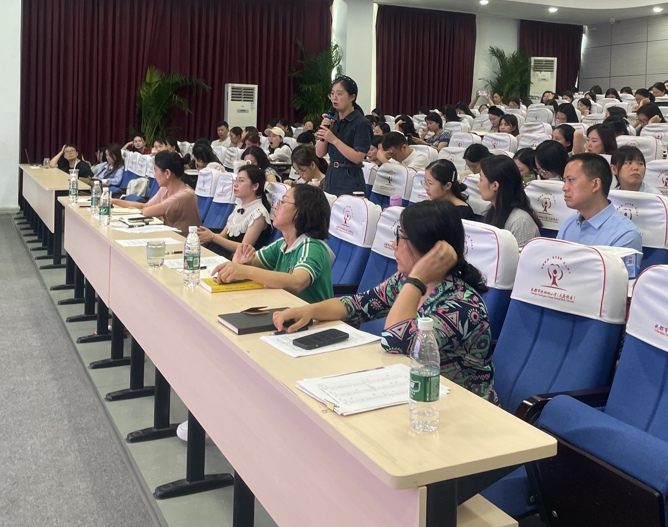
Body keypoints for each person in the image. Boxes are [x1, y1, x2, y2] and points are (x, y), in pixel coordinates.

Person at [271, 200, 497, 402]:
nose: (394, 245)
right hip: (413, 392)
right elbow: (357, 305)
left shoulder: (463, 305)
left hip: (460, 405)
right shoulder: (404, 280)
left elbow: (395, 340)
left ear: (428, 247)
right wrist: (309, 311)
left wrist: (418, 277)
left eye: (402, 238)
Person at [212, 184, 334, 303]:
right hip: (285, 309)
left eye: (283, 202)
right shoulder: (282, 244)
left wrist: (246, 271)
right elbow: (251, 263)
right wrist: (241, 261)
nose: (276, 206)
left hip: (311, 315)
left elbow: (297, 282)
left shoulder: (312, 247)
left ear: (300, 211)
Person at [558, 154, 642, 251]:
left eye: (570, 180)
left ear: (595, 184)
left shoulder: (625, 235)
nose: (564, 188)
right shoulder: (568, 225)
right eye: (564, 181)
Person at [315, 75, 373, 196]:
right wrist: (326, 130)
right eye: (332, 94)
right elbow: (319, 153)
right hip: (331, 175)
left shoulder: (361, 123)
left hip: (350, 179)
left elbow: (358, 157)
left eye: (339, 94)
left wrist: (333, 139)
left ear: (352, 97)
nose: (334, 97)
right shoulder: (334, 121)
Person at [197, 166, 272, 257]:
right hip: (225, 254)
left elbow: (243, 249)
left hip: (239, 260)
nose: (235, 184)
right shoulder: (239, 206)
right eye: (236, 180)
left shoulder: (259, 213)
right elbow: (223, 235)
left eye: (241, 181)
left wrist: (213, 237)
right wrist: (205, 236)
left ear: (255, 186)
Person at [121, 151, 202, 232]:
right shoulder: (165, 188)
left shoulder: (186, 195)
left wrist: (135, 210)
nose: (154, 175)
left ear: (167, 173)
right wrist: (115, 201)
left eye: (155, 171)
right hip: (168, 234)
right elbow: (145, 206)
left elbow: (147, 212)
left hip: (183, 238)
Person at [478, 155, 541, 246]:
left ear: (495, 185)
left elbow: (521, 255)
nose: (478, 184)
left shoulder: (520, 221)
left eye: (481, 180)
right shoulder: (493, 210)